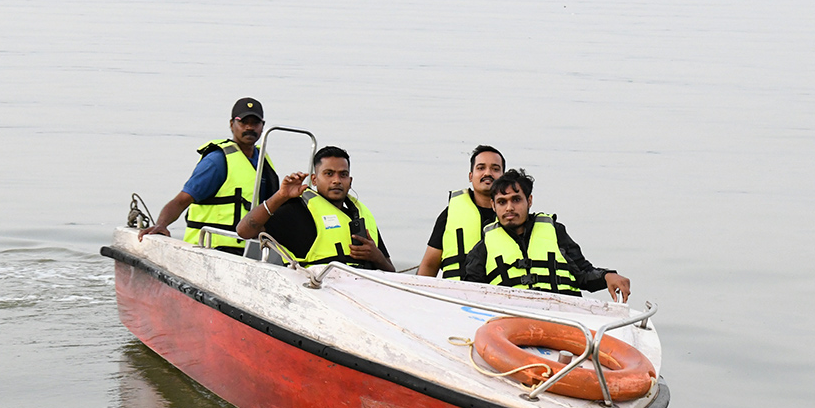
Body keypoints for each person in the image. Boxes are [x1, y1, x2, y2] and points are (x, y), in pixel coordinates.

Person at [463, 169, 631, 301]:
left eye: (516, 200)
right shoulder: (483, 248)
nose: (509, 208)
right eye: (502, 202)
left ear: (529, 201)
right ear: (493, 205)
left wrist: (607, 276)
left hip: (565, 318)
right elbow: (470, 294)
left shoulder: (555, 232)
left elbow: (583, 273)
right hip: (513, 323)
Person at [138, 97, 278, 253]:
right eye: (243, 122)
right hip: (211, 247)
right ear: (232, 124)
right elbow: (181, 200)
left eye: (255, 123)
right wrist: (161, 225)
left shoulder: (262, 160)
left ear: (263, 126)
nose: (249, 127)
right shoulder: (217, 161)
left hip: (250, 248)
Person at [236, 146, 394, 271]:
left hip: (364, 295)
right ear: (314, 180)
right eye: (329, 174)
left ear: (350, 181)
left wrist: (376, 257)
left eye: (343, 175)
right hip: (317, 293)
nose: (336, 181)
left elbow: (390, 271)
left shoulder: (360, 216)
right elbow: (244, 231)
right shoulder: (296, 212)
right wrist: (281, 196)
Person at [416, 145, 505, 279]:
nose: (487, 173)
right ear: (471, 176)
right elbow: (428, 266)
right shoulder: (450, 214)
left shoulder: (513, 216)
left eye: (495, 169)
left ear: (503, 176)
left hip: (498, 295)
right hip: (456, 293)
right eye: (481, 168)